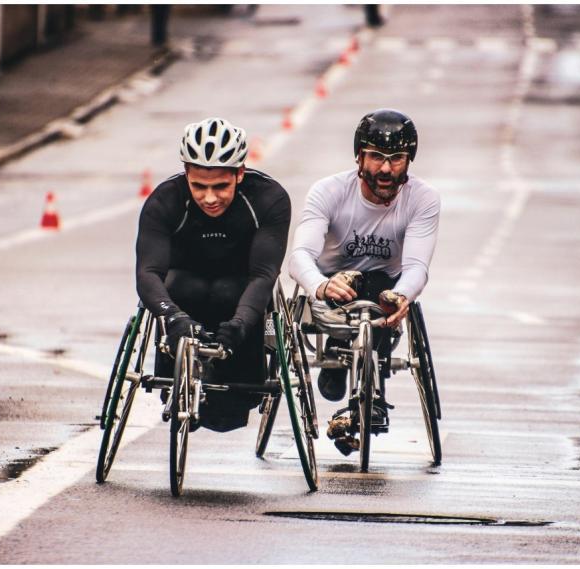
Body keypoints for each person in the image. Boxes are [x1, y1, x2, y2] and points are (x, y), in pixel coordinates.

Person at [288, 108, 440, 452]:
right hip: (329, 285)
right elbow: (298, 257)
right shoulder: (328, 191)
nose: (386, 169)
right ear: (359, 156)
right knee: (354, 284)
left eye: (396, 159)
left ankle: (372, 393)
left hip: (383, 287)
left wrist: (402, 295)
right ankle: (340, 356)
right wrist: (322, 286)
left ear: (408, 160)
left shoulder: (423, 199)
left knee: (379, 288)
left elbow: (417, 265)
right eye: (375, 157)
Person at [136, 117, 291, 432]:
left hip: (239, 291)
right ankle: (177, 380)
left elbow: (264, 275)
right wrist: (172, 317)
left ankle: (233, 384)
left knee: (229, 292)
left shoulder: (268, 198)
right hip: (184, 288)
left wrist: (240, 325)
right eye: (199, 186)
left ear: (240, 174)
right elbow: (148, 272)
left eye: (220, 186)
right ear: (186, 174)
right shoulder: (165, 200)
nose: (209, 198)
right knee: (178, 285)